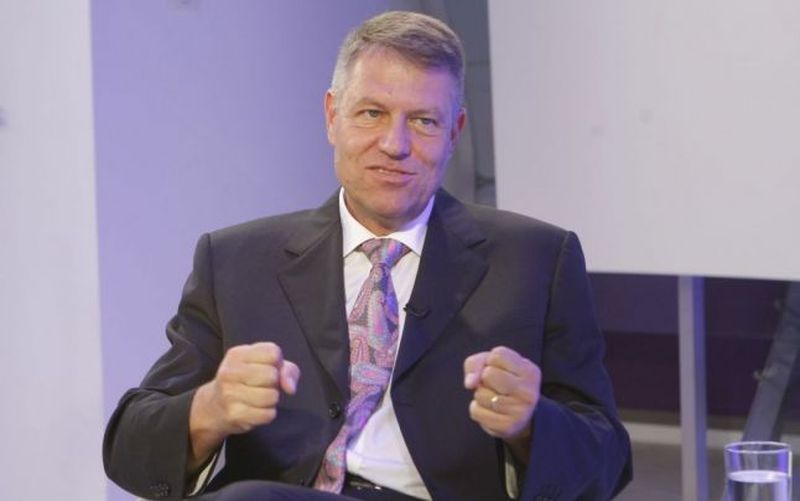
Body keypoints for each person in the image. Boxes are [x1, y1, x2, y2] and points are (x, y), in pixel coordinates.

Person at [104, 11, 631, 501]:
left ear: (454, 133)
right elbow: (129, 448)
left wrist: (531, 425)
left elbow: (607, 460)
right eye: (372, 113)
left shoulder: (536, 260)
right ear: (332, 116)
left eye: (423, 121)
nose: (394, 144)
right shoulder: (237, 261)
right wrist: (209, 409)